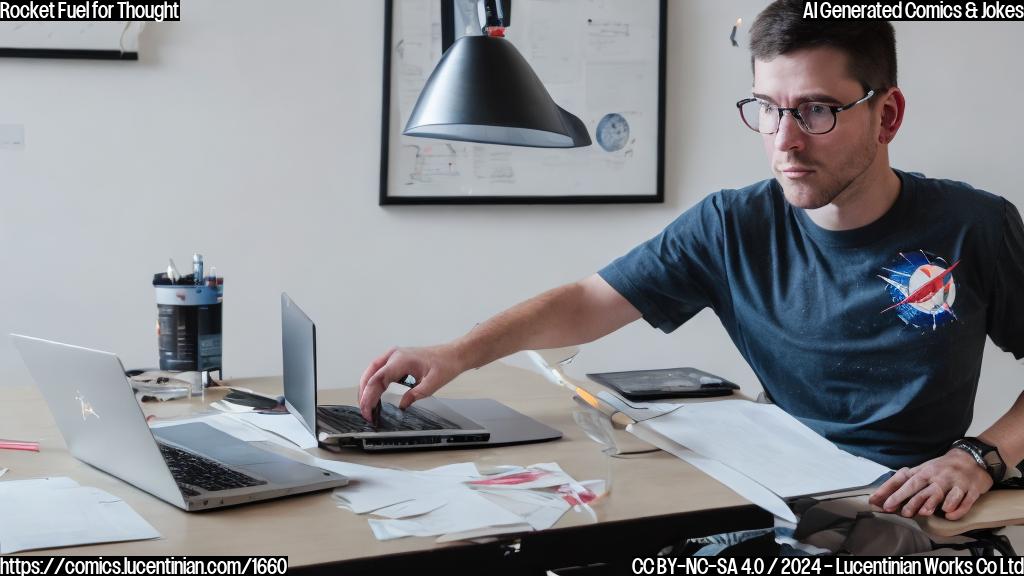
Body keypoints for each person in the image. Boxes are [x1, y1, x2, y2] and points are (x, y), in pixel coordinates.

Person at [359, 0, 1024, 524]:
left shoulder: (973, 225)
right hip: (772, 494)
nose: (784, 141)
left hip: (912, 514)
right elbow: (589, 302)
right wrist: (457, 351)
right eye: (768, 109)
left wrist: (979, 458)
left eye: (817, 110)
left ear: (887, 116)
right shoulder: (731, 224)